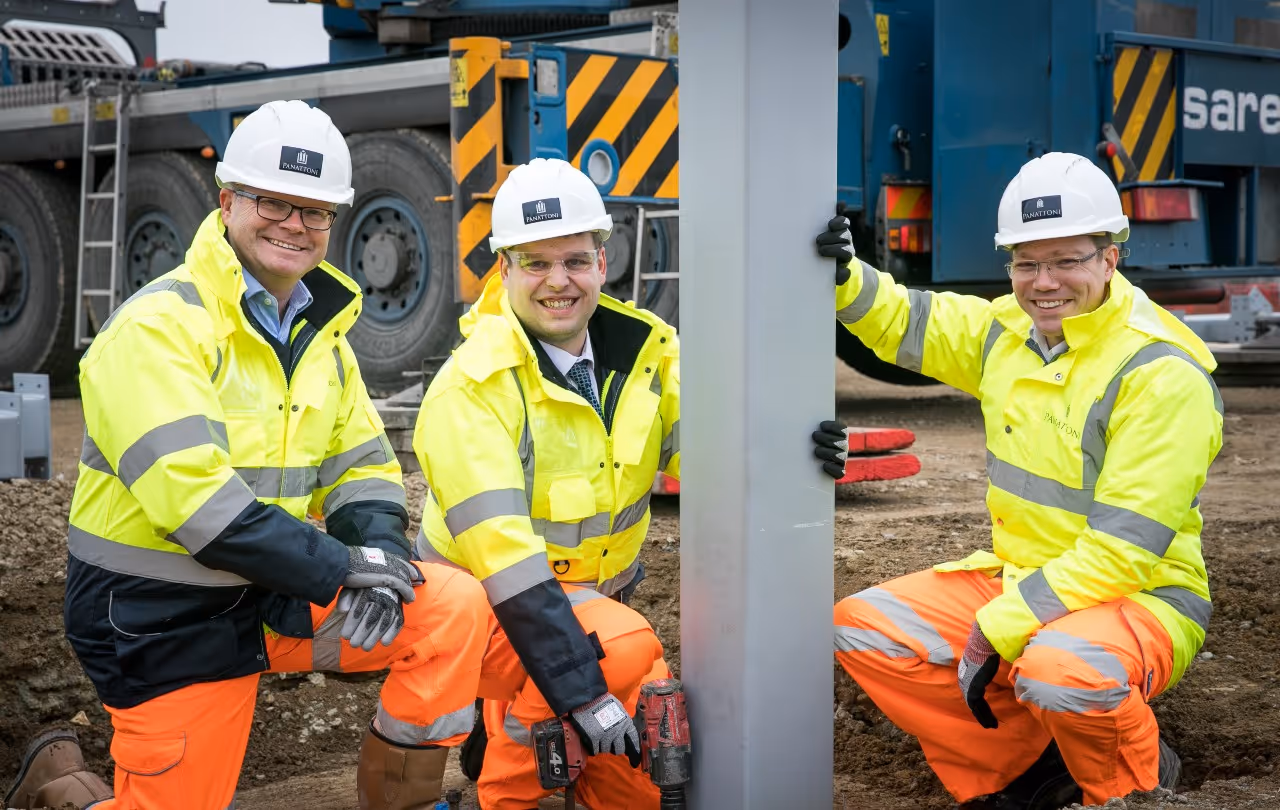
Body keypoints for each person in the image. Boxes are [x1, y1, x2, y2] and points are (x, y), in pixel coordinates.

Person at [6, 100, 492, 810]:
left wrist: (380, 559)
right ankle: (63, 784)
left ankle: (402, 802)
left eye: (316, 211)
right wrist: (342, 569)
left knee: (449, 607)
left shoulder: (320, 335)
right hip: (159, 619)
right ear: (228, 199)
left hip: (272, 592)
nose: (296, 225)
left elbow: (362, 466)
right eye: (275, 202)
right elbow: (202, 510)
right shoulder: (157, 329)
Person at [817, 152, 1222, 809]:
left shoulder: (1159, 372)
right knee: (866, 628)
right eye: (1027, 263)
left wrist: (1003, 623)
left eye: (1067, 260)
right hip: (1027, 575)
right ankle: (1026, 775)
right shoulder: (1010, 332)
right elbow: (905, 323)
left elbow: (1123, 551)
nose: (1044, 282)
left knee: (1061, 673)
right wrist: (843, 276)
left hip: (1143, 595)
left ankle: (1130, 788)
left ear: (1110, 258)